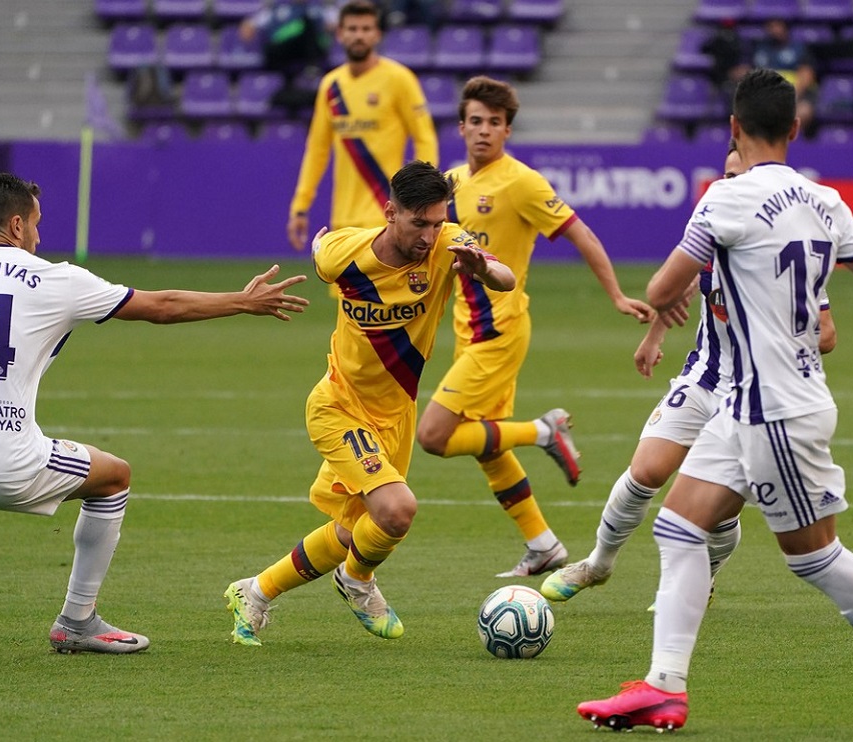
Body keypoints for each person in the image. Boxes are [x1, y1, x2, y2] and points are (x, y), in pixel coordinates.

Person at [575, 69, 853, 733]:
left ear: (732, 128)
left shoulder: (723, 200)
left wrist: (682, 275)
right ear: (795, 129)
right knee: (678, 525)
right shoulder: (824, 199)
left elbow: (665, 287)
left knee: (814, 558)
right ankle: (664, 686)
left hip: (774, 408)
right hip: (754, 402)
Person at [0, 172, 309, 654]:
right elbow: (161, 306)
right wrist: (242, 302)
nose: (40, 234)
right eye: (37, 223)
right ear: (17, 226)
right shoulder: (58, 279)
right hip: (9, 464)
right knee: (114, 477)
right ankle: (77, 621)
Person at [225, 160, 516, 646]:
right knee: (397, 511)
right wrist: (315, 244)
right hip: (338, 406)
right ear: (390, 213)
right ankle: (357, 583)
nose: (428, 235)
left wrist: (484, 268)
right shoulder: (346, 255)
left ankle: (254, 592)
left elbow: (505, 279)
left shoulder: (449, 245)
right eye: (418, 222)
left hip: (395, 414)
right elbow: (322, 250)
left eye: (437, 222)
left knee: (353, 529)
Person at [541, 140, 837, 608]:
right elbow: (676, 286)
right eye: (726, 176)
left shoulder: (779, 249)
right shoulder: (715, 225)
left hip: (752, 396)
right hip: (704, 376)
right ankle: (597, 564)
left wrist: (776, 332)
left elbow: (826, 332)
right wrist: (654, 337)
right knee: (645, 471)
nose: (729, 184)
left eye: (738, 177)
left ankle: (708, 572)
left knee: (718, 514)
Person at [414, 76, 654, 578]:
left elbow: (579, 232)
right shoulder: (451, 183)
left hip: (498, 332)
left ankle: (545, 430)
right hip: (469, 331)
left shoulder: (521, 182)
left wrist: (614, 294)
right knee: (488, 445)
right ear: (461, 126)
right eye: (476, 121)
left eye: (495, 123)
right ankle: (543, 545)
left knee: (434, 435)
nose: (484, 131)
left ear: (507, 131)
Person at [286, 0, 438, 255]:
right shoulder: (331, 85)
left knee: (386, 294)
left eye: (366, 29)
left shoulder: (399, 79)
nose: (359, 35)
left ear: (377, 34)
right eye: (353, 28)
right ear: (340, 33)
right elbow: (317, 149)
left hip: (387, 213)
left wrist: (423, 195)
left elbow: (425, 137)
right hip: (343, 219)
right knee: (344, 296)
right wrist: (300, 206)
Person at [749, 18, 816, 134]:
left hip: (795, 96)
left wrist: (793, 96)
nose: (775, 30)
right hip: (766, 97)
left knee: (803, 111)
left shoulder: (798, 48)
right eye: (771, 26)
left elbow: (807, 73)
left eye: (778, 26)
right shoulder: (760, 48)